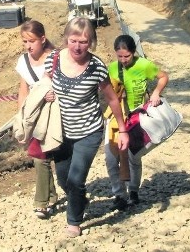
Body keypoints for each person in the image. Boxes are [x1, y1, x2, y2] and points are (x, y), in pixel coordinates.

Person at [44, 18, 128, 237]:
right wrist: (45, 93)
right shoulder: (53, 59)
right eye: (73, 41)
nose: (77, 46)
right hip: (60, 132)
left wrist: (123, 129)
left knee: (75, 179)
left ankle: (74, 221)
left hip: (88, 131)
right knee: (64, 179)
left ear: (91, 42)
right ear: (66, 39)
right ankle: (79, 199)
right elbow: (43, 84)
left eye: (83, 41)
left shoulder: (96, 67)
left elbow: (111, 99)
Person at [105, 34, 169, 210]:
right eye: (120, 56)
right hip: (116, 117)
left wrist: (156, 93)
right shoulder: (111, 68)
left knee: (134, 156)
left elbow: (163, 77)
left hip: (137, 116)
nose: (124, 60)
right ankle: (119, 194)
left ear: (133, 52)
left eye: (127, 56)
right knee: (111, 157)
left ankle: (133, 191)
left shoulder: (144, 65)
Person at [15, 21, 57, 219]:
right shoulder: (23, 61)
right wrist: (22, 119)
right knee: (39, 156)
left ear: (42, 38)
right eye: (25, 41)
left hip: (55, 113)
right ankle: (45, 200)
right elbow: (23, 90)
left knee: (51, 158)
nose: (28, 46)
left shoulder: (56, 59)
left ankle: (49, 198)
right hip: (35, 114)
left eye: (31, 41)